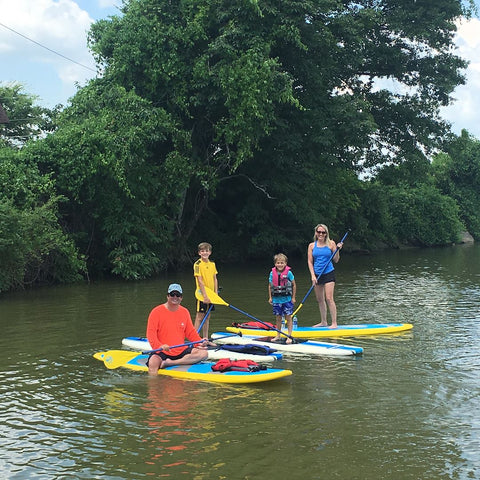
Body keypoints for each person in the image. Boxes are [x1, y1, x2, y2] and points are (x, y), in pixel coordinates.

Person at [146, 283, 208, 375]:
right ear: (167, 296)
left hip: (180, 350)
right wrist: (159, 346)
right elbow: (151, 335)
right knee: (153, 363)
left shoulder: (184, 312)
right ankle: (154, 387)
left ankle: (171, 363)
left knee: (204, 354)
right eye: (172, 294)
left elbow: (190, 333)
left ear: (181, 298)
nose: (175, 297)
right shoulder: (156, 312)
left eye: (178, 295)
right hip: (163, 350)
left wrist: (199, 342)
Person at [307, 224, 343, 328]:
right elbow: (310, 262)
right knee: (320, 299)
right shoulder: (311, 246)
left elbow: (336, 260)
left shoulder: (331, 244)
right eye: (319, 232)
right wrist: (313, 276)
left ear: (326, 233)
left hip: (328, 273)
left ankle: (334, 323)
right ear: (316, 233)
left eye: (323, 232)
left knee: (329, 298)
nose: (321, 234)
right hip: (317, 274)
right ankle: (323, 322)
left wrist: (338, 250)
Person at [268, 253, 296, 344]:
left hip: (287, 299)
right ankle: (278, 335)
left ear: (285, 263)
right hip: (276, 300)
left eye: (282, 263)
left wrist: (293, 298)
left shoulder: (289, 273)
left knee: (288, 317)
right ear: (275, 264)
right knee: (278, 318)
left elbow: (294, 285)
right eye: (278, 263)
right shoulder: (272, 273)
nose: (280, 264)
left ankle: (289, 336)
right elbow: (269, 286)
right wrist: (270, 298)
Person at [193, 242, 218, 337]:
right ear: (199, 253)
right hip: (202, 294)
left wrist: (215, 294)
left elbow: (215, 279)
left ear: (210, 252)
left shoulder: (212, 264)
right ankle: (195, 339)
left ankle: (205, 338)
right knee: (200, 316)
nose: (204, 253)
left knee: (207, 317)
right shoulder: (197, 264)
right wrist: (205, 296)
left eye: (206, 251)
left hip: (211, 294)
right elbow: (200, 281)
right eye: (202, 251)